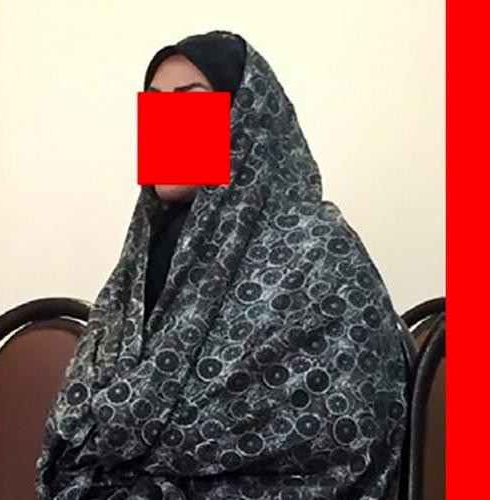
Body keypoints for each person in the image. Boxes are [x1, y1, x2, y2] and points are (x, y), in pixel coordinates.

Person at [36, 30, 413, 500]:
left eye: (191, 102)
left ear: (244, 124)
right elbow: (85, 419)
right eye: (154, 104)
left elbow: (344, 435)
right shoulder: (145, 256)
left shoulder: (318, 255)